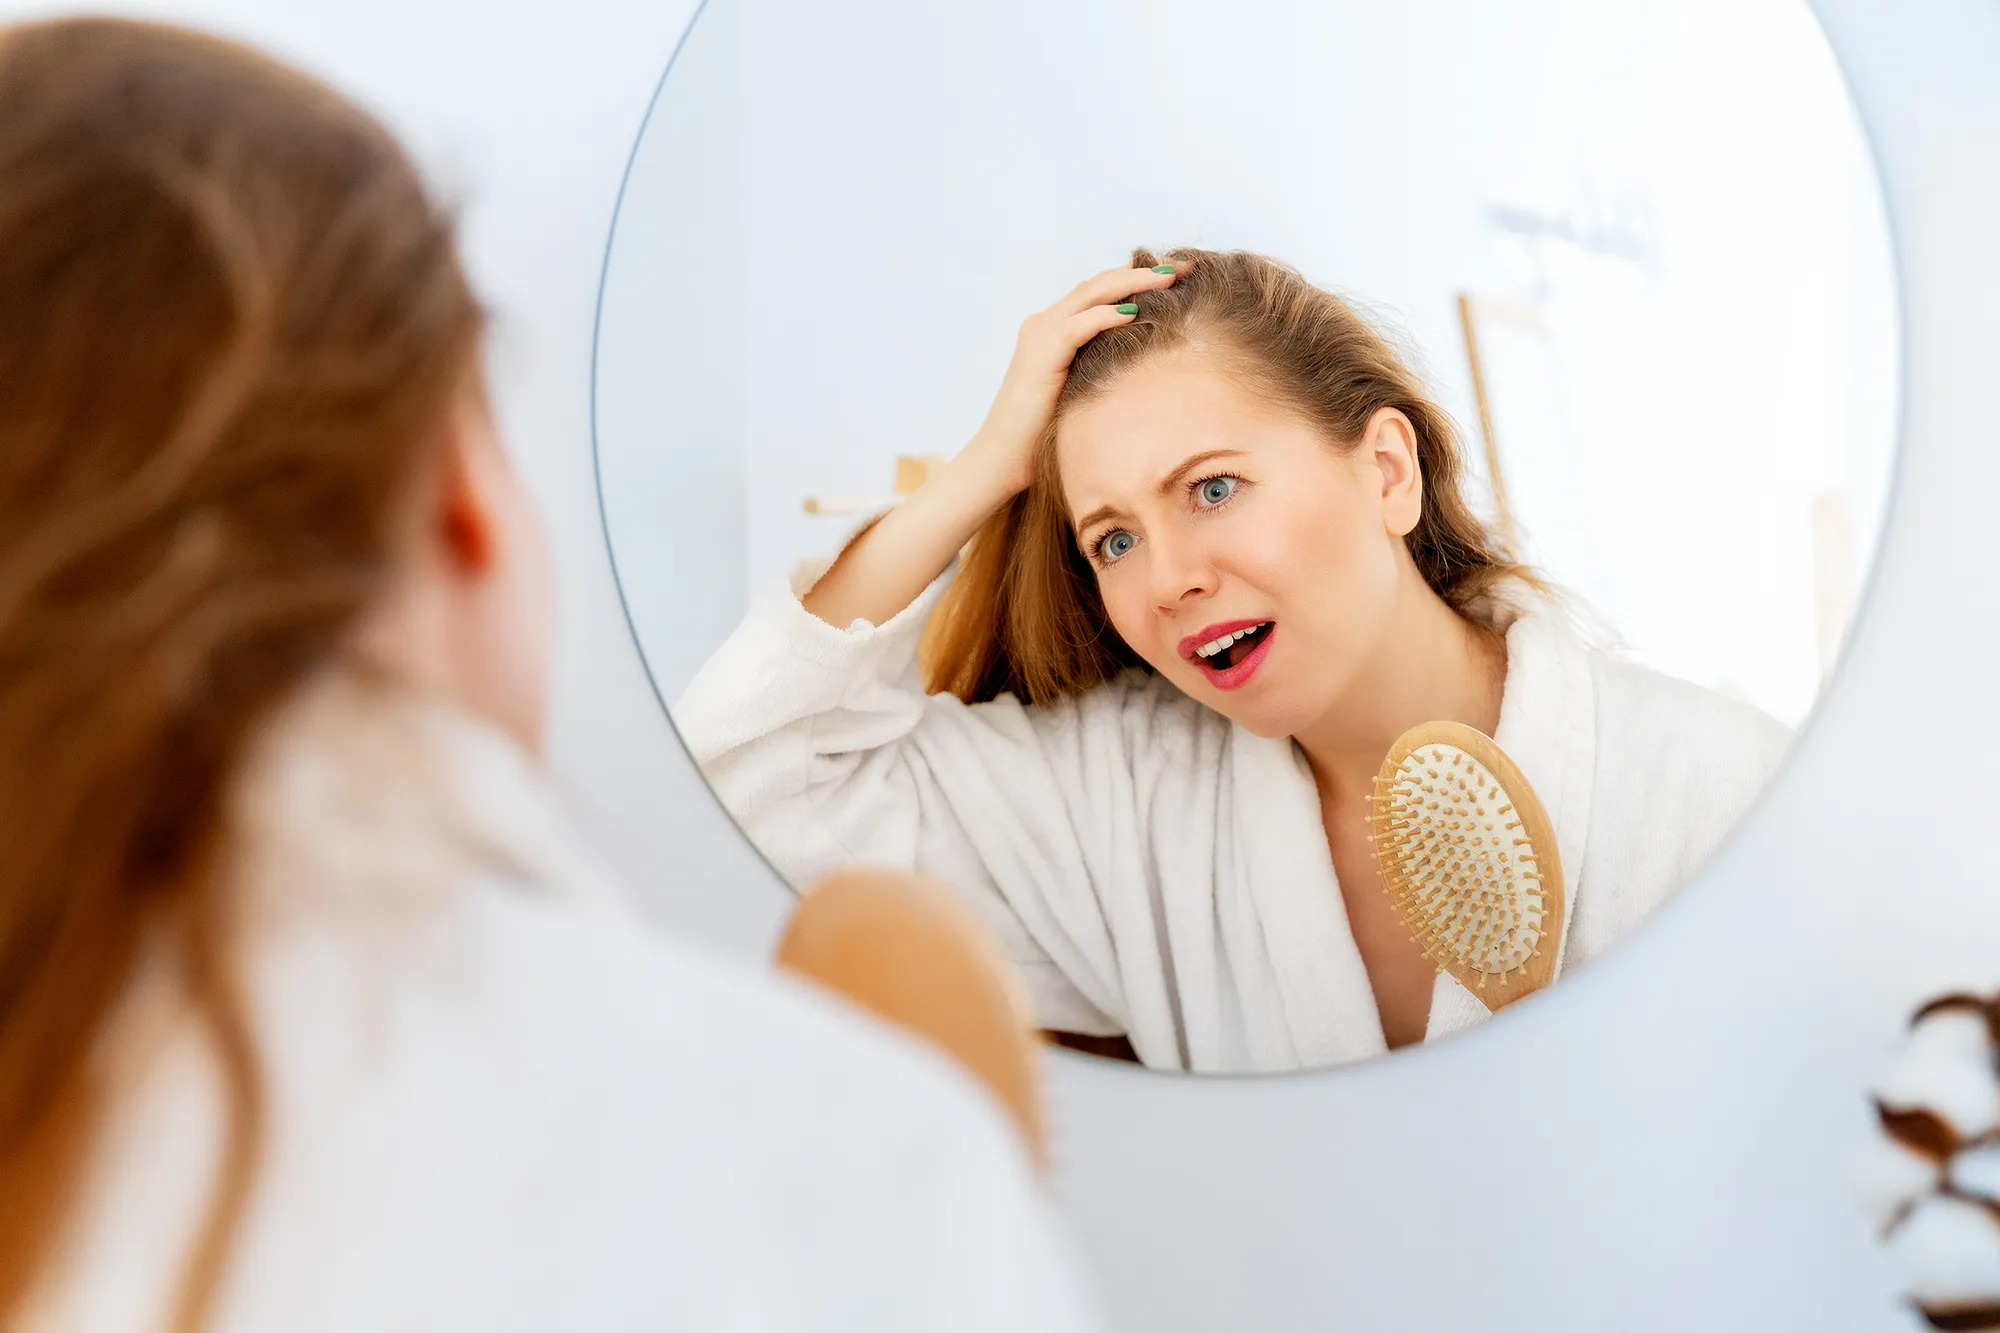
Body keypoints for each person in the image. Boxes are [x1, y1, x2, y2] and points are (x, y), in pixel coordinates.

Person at [0, 18, 1101, 1332]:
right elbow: (755, 752)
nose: (1179, 576)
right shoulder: (815, 1172)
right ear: (462, 495)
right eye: (1118, 529)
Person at [677, 248, 1793, 1073]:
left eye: (1212, 488)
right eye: (1110, 537)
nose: (1165, 579)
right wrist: (978, 474)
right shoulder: (1116, 802)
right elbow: (749, 790)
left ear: (1386, 472)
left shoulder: (1714, 788)